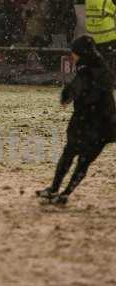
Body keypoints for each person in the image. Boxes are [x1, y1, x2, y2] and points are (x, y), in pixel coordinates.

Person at [36, 35, 116, 205]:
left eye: (74, 53)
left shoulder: (85, 70)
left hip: (87, 121)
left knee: (69, 154)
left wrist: (67, 95)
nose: (72, 56)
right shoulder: (102, 67)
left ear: (80, 53)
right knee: (84, 162)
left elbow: (75, 90)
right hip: (106, 124)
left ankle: (54, 189)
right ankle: (65, 193)